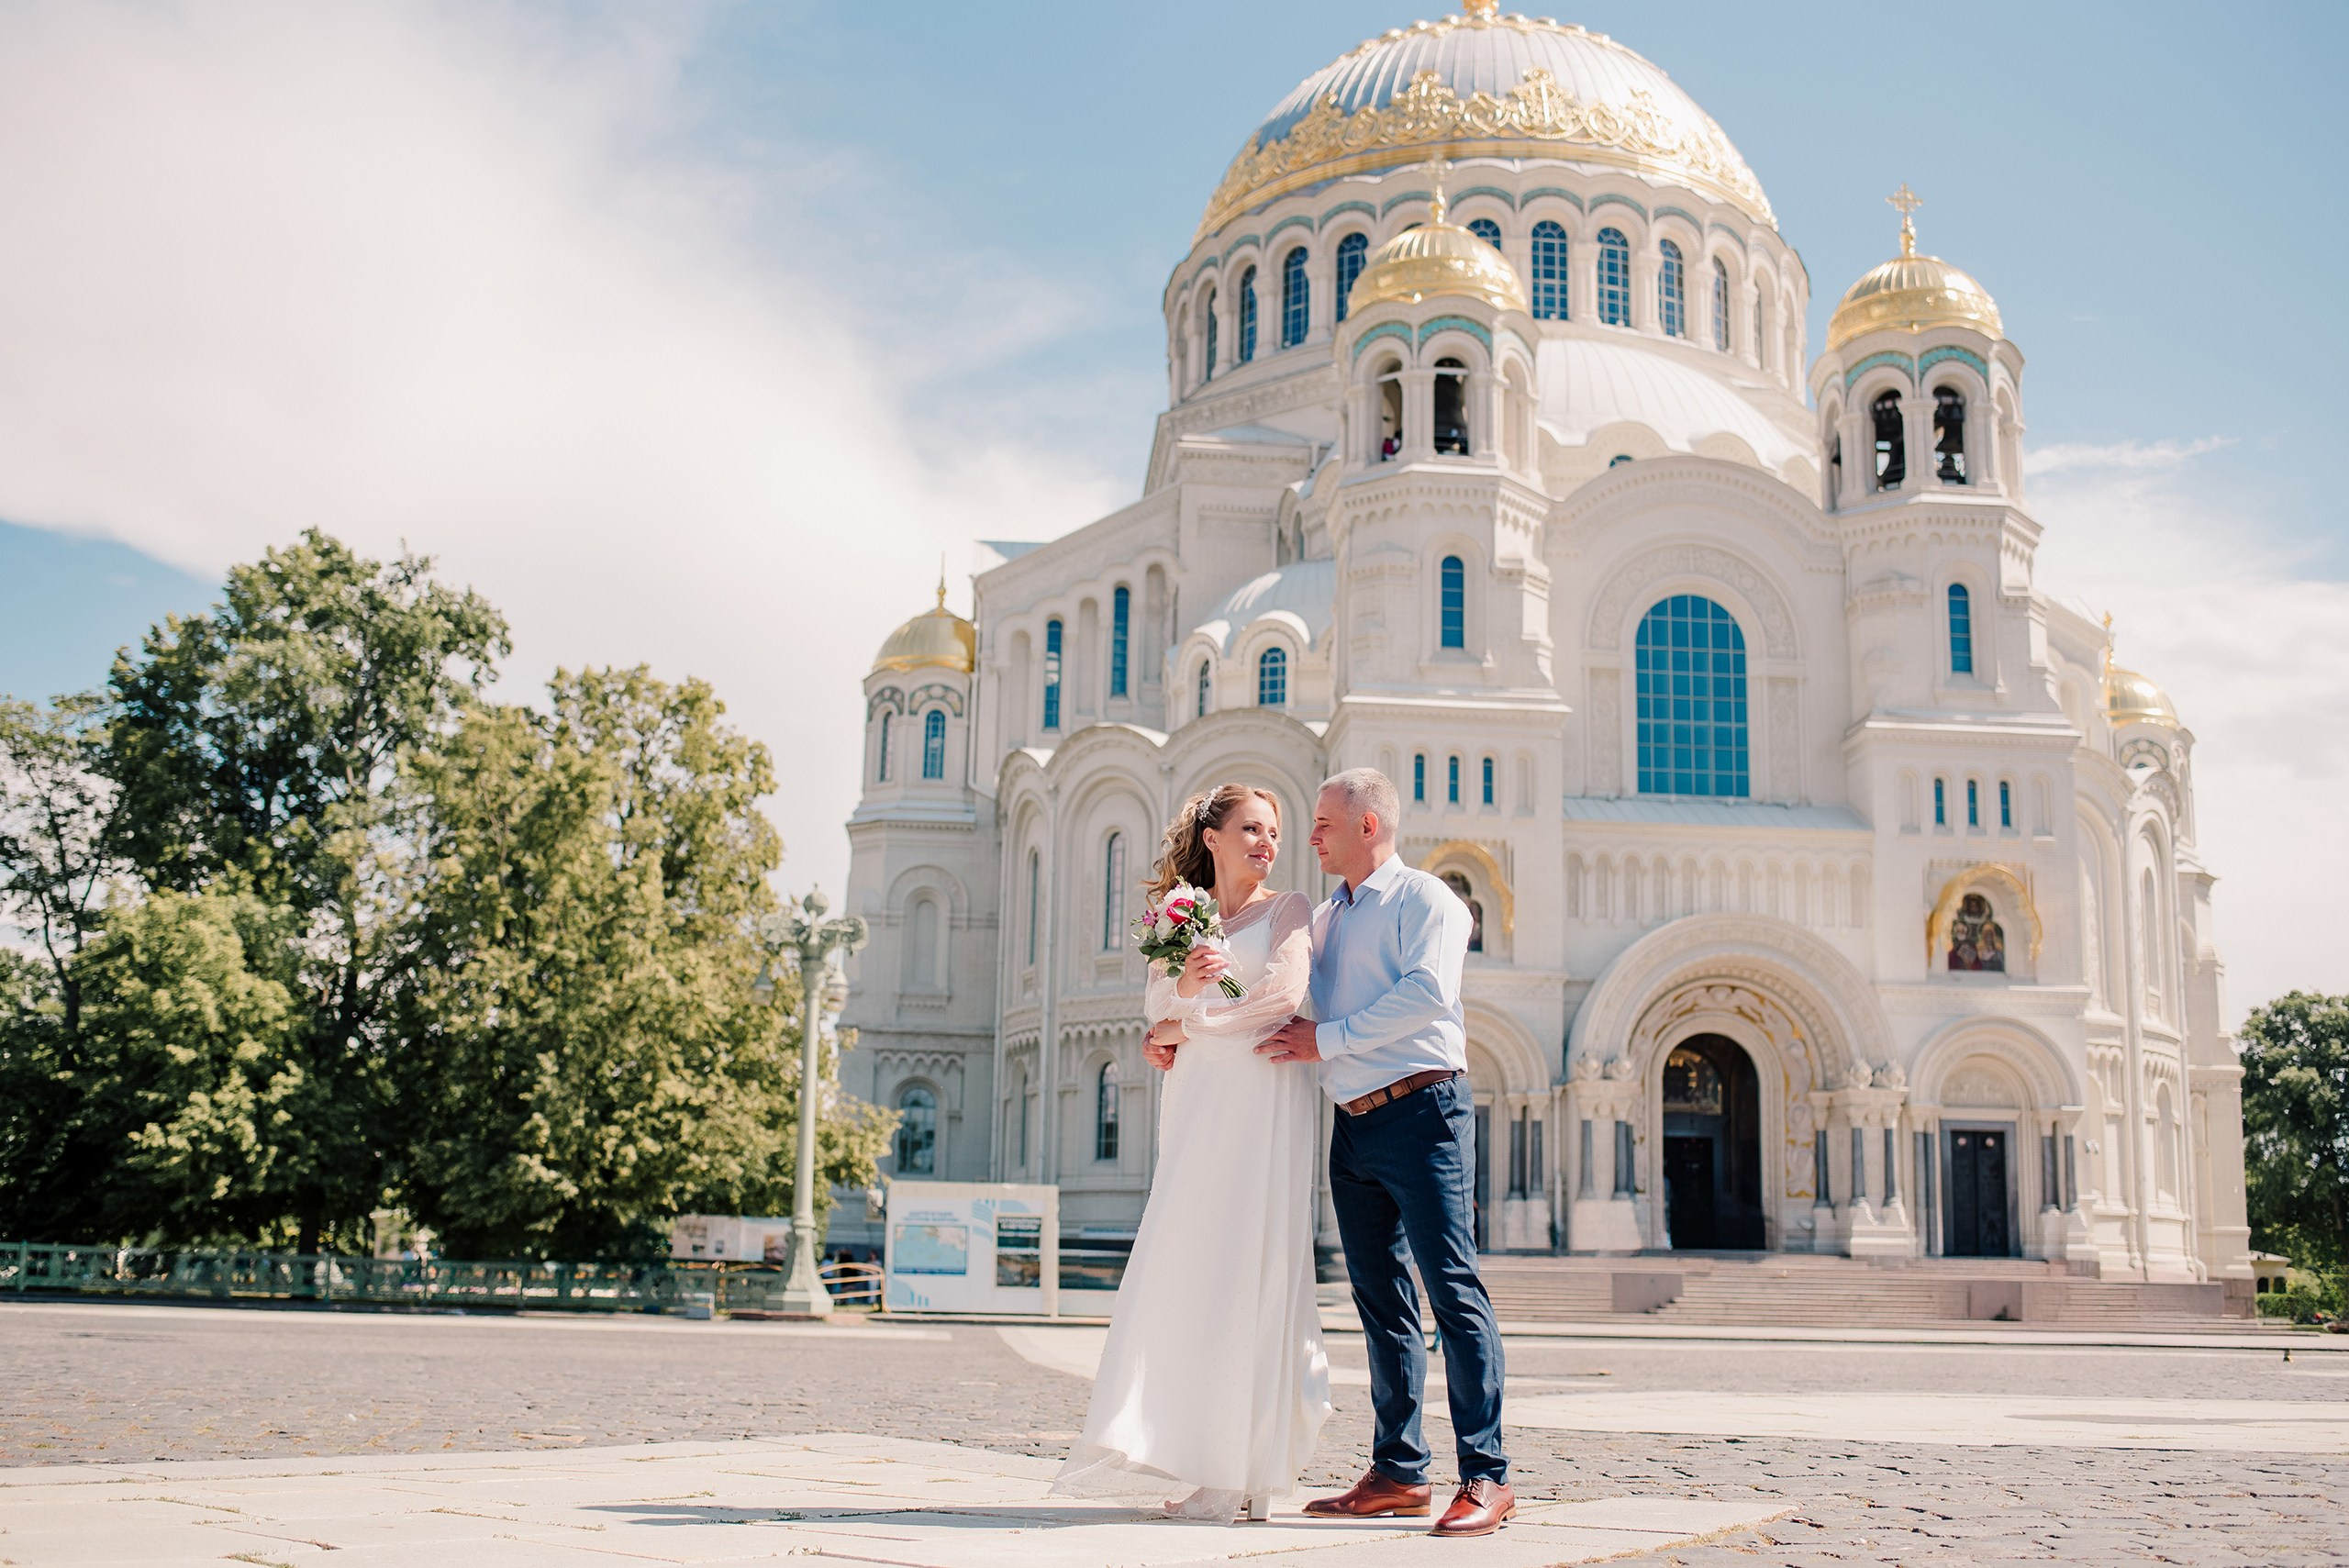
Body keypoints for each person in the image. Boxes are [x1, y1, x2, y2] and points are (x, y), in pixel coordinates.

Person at [1050, 784, 1330, 1522]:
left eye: (1274, 831)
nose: (1267, 842)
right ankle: (1223, 1463)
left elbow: (1284, 994)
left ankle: (1245, 1469)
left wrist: (1191, 1026)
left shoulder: (1290, 908)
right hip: (1201, 1106)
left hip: (1262, 1100)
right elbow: (1156, 1008)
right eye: (1250, 828)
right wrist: (1179, 998)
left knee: (1253, 1262)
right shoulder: (1186, 913)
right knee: (1197, 1267)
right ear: (1213, 836)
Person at [1254, 766, 1513, 1538]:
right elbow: (1293, 1007)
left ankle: (1486, 1475)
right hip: (1354, 1125)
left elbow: (1427, 994)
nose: (1311, 837)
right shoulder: (1328, 917)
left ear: (1369, 824)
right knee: (1380, 1301)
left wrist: (1325, 1040)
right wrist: (1185, 1024)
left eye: (1324, 823)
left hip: (1424, 1111)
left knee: (1452, 1290)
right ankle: (1399, 1470)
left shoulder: (1426, 899)